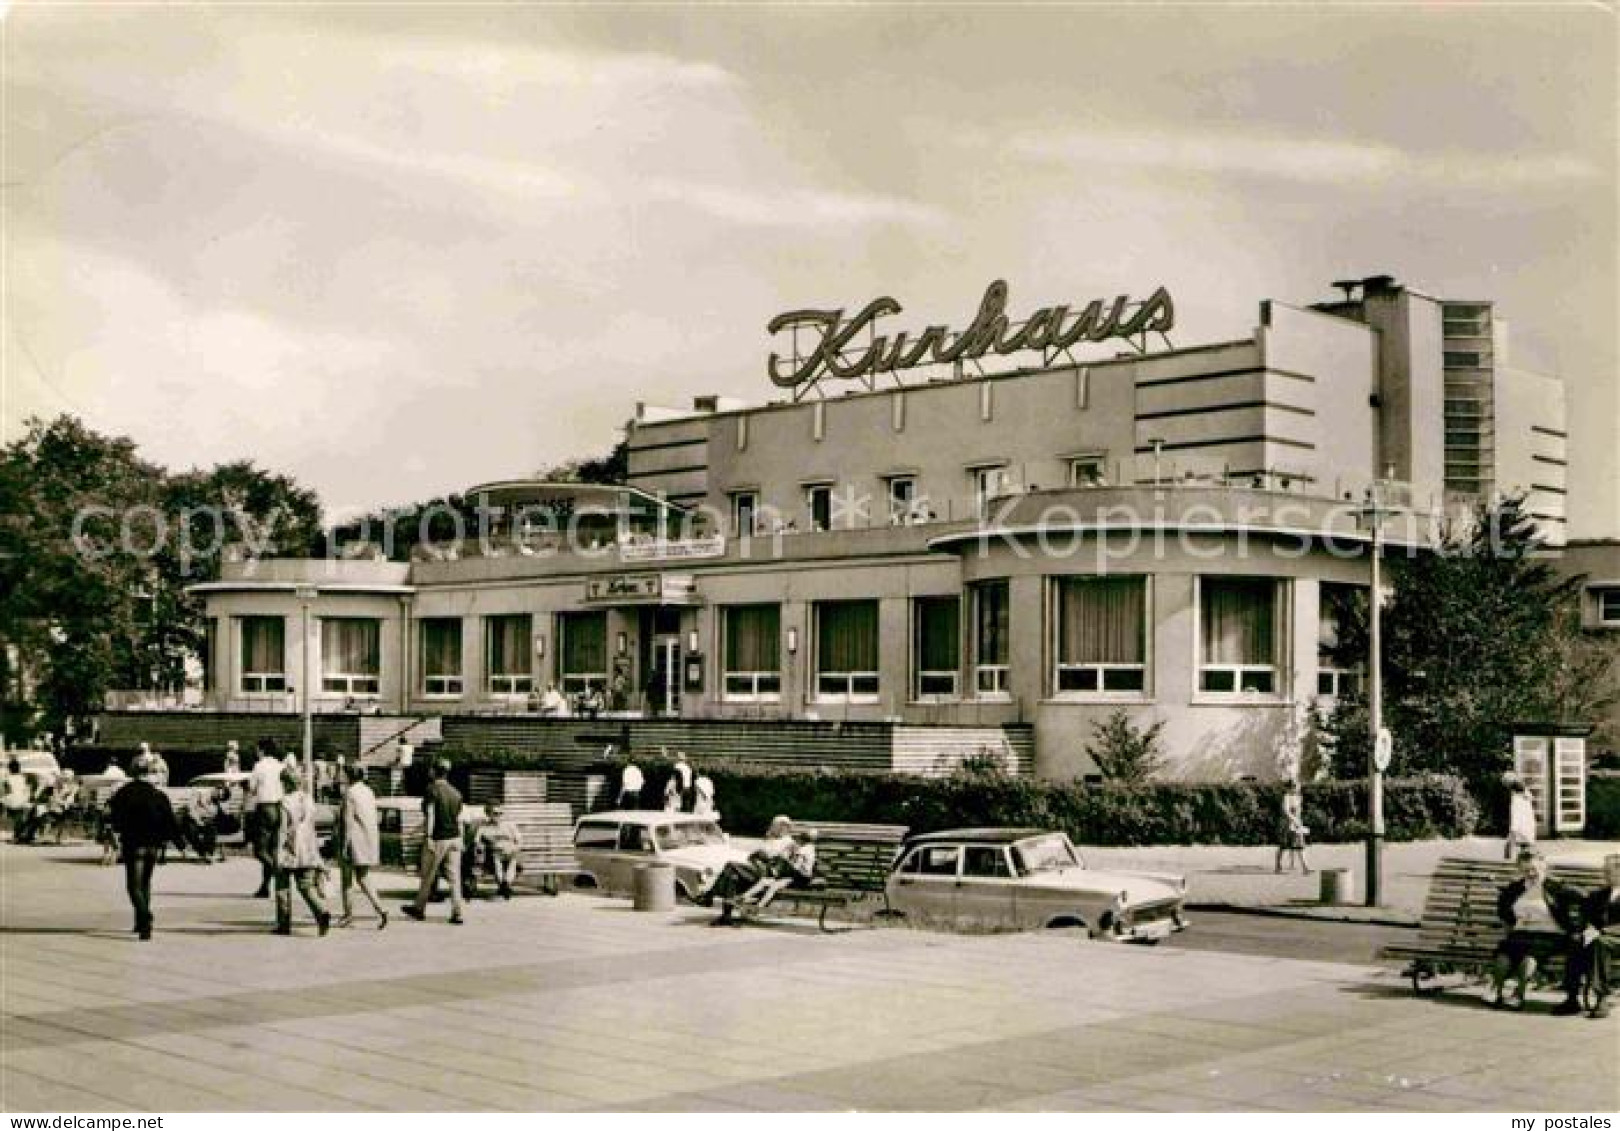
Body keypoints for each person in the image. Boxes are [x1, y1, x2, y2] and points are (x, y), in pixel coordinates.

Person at [106, 754, 183, 940]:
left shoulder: (124, 793)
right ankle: (140, 924)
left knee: (134, 886)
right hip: (153, 845)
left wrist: (115, 833)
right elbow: (170, 820)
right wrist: (179, 843)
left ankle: (144, 917)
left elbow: (114, 817)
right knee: (146, 883)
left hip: (133, 843)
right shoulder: (158, 794)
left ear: (132, 772)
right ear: (148, 773)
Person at [1489, 850, 1569, 1009]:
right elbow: (1504, 912)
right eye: (1526, 870)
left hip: (1550, 935)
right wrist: (1516, 920)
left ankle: (1519, 994)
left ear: (1544, 866)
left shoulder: (1556, 886)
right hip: (1522, 933)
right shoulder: (1515, 888)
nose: (1531, 873)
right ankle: (1496, 991)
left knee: (1529, 955)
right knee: (1504, 953)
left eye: (1534, 869)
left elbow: (1580, 902)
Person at [1555, 852, 1620, 1019]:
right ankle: (1571, 998)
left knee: (1600, 942)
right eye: (1604, 870)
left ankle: (1601, 998)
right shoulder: (1599, 894)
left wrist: (1603, 931)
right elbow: (1587, 917)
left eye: (1608, 870)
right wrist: (1582, 930)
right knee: (1576, 943)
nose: (1604, 874)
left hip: (1614, 938)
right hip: (1601, 938)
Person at [699, 816, 796, 925]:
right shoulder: (772, 839)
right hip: (756, 868)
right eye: (773, 825)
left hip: (767, 874)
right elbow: (756, 853)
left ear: (784, 827)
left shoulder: (788, 842)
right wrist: (760, 851)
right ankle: (726, 916)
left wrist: (762, 852)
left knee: (730, 865)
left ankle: (709, 895)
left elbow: (773, 857)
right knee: (731, 876)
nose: (772, 827)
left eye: (775, 825)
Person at [402, 759, 465, 925]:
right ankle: (458, 913)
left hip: (438, 838)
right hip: (455, 838)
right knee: (454, 878)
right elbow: (459, 819)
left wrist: (428, 837)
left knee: (428, 875)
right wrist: (461, 840)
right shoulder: (456, 792)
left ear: (434, 771)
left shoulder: (432, 790)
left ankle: (419, 909)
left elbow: (431, 814)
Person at [273, 763, 331, 937]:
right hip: (308, 846)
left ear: (285, 783)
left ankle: (284, 924)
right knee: (306, 886)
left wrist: (277, 851)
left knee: (282, 886)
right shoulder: (308, 799)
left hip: (290, 847)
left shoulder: (284, 803)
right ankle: (321, 912)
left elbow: (283, 829)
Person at [335, 763, 386, 929]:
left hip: (354, 840)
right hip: (368, 838)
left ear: (349, 776)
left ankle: (348, 914)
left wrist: (343, 844)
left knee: (346, 879)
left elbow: (347, 820)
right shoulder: (368, 791)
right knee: (363, 877)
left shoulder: (350, 793)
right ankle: (380, 908)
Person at [246, 739, 285, 897]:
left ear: (262, 750)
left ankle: (280, 873)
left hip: (265, 807)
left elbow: (252, 787)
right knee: (273, 849)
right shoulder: (280, 766)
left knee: (260, 850)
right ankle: (265, 887)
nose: (256, 752)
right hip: (279, 807)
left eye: (257, 749)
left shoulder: (259, 766)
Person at [477, 802, 523, 900]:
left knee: (513, 860)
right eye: (495, 813)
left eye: (500, 813)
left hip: (510, 852)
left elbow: (519, 840)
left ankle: (504, 885)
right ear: (488, 814)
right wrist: (482, 847)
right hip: (494, 853)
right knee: (497, 860)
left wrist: (514, 848)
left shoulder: (510, 825)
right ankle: (505, 885)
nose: (498, 816)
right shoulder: (484, 826)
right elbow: (477, 842)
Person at [1275, 779, 1312, 875]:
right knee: (1283, 846)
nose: (1297, 788)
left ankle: (1305, 868)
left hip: (1296, 825)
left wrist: (1299, 822)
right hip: (1287, 825)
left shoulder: (1298, 797)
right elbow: (1286, 811)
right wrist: (1294, 820)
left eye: (1298, 786)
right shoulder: (1286, 797)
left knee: (1300, 845)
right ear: (1290, 788)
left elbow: (1298, 811)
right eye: (1295, 786)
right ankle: (1278, 866)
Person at [1505, 778, 1536, 861]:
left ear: (1514, 790)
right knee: (1526, 850)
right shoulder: (1526, 798)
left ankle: (1510, 867)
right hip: (1529, 829)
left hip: (1519, 829)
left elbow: (1516, 815)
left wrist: (1513, 830)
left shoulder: (1516, 799)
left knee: (1509, 850)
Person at [3, 758, 33, 841]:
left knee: (16, 817)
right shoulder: (23, 777)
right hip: (23, 799)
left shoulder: (7, 778)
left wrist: (5, 799)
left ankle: (17, 834)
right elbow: (27, 788)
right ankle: (19, 833)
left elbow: (7, 791)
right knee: (20, 817)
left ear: (10, 769)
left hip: (13, 799)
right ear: (19, 768)